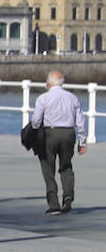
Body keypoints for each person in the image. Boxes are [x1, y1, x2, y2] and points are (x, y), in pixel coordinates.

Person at [31, 70, 87, 214]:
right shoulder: (72, 98)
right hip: (68, 133)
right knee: (66, 166)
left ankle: (53, 203)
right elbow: (80, 121)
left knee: (48, 168)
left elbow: (36, 121)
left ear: (48, 83)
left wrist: (34, 131)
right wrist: (83, 141)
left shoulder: (43, 98)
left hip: (50, 133)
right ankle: (68, 198)